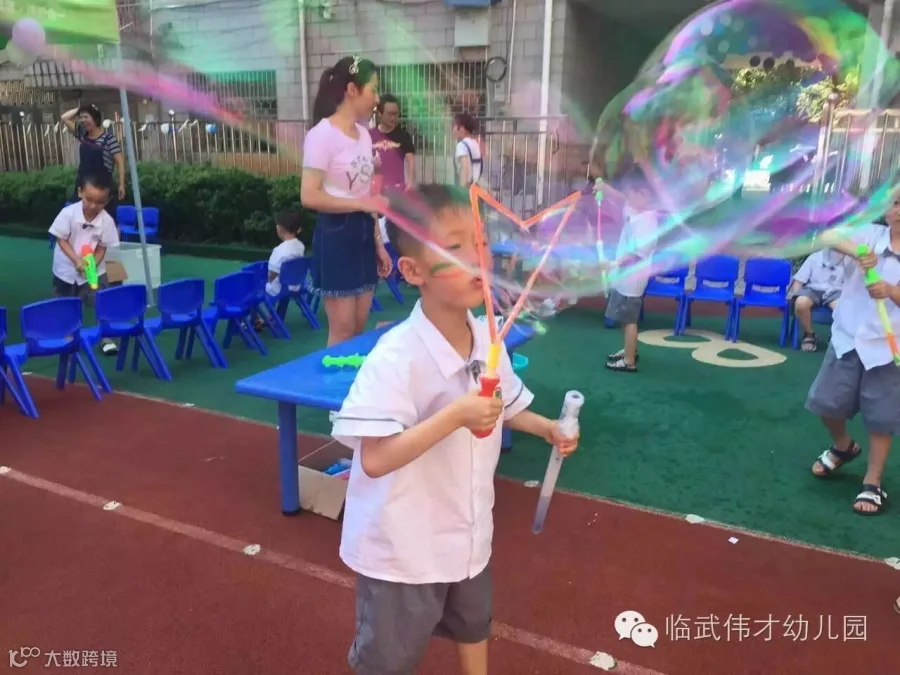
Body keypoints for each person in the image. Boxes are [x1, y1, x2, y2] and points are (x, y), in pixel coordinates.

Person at [331, 184, 580, 675]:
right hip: (402, 550)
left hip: (467, 534)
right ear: (413, 271)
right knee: (388, 662)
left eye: (481, 243)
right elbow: (374, 459)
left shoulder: (487, 335)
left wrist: (547, 427)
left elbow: (504, 406)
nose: (478, 258)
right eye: (455, 247)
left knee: (473, 625)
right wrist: (454, 416)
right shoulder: (396, 356)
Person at [806, 207, 900, 515]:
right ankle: (844, 446)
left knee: (881, 419)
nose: (899, 210)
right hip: (848, 338)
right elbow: (828, 235)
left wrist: (891, 291)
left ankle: (873, 481)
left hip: (888, 348)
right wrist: (858, 251)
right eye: (896, 202)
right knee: (825, 403)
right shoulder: (870, 235)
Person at [300, 55, 393, 351]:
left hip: (363, 234)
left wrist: (378, 243)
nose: (376, 99)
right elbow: (309, 195)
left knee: (358, 329)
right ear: (352, 90)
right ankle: (335, 382)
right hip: (336, 236)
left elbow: (367, 196)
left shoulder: (364, 135)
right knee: (341, 334)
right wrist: (362, 205)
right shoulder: (321, 135)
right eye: (373, 90)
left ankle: (354, 381)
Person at [48, 173, 120, 355]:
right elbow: (61, 239)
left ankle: (105, 336)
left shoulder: (107, 221)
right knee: (66, 302)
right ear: (80, 192)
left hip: (94, 267)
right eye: (89, 200)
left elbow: (102, 247)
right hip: (66, 267)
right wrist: (76, 260)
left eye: (100, 202)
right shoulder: (68, 214)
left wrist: (92, 264)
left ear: (107, 200)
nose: (94, 206)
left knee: (102, 300)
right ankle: (68, 339)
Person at [604, 171, 658, 373]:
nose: (627, 198)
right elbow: (620, 197)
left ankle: (629, 361)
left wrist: (615, 263)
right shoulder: (636, 209)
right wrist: (603, 188)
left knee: (629, 320)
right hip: (624, 276)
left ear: (644, 194)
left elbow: (638, 255)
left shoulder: (647, 222)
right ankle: (629, 349)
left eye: (631, 194)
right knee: (623, 317)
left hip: (633, 278)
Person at [60, 104, 126, 221]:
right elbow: (64, 117)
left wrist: (122, 184)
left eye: (86, 117)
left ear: (95, 119)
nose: (83, 121)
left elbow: (120, 162)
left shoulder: (108, 139)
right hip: (83, 186)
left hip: (102, 187)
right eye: (81, 118)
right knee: (78, 218)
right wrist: (81, 108)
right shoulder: (82, 135)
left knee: (106, 220)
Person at [789, 249, 849, 352]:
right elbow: (799, 280)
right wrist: (793, 297)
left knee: (842, 307)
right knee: (801, 303)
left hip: (836, 291)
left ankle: (835, 336)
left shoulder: (849, 260)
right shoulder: (814, 257)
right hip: (813, 290)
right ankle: (809, 335)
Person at [265, 209, 306, 298]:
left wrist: (268, 281)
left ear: (279, 228)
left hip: (279, 289)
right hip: (296, 286)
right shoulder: (301, 246)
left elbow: (272, 274)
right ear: (299, 229)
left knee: (259, 285)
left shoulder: (278, 250)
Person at [452, 113, 484, 188]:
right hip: (475, 187)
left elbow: (465, 168)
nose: (453, 130)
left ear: (462, 128)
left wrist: (462, 190)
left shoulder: (461, 145)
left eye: (454, 127)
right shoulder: (475, 143)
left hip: (467, 186)